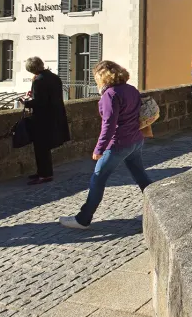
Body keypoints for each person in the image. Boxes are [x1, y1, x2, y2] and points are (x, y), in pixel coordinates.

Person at [59, 61, 152, 229]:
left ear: (102, 77)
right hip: (136, 140)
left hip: (119, 143)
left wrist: (99, 148)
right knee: (141, 177)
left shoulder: (110, 94)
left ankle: (83, 219)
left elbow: (109, 124)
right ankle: (158, 208)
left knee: (98, 178)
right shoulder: (131, 89)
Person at [23, 57, 70, 185]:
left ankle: (44, 174)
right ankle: (44, 172)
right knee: (45, 148)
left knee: (41, 147)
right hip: (54, 116)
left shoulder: (39, 81)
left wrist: (26, 103)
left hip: (42, 119)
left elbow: (40, 102)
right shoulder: (54, 77)